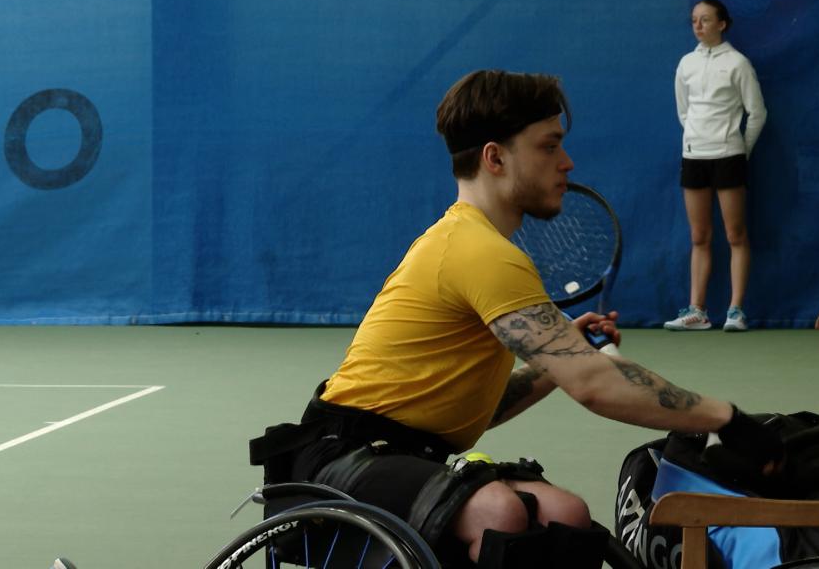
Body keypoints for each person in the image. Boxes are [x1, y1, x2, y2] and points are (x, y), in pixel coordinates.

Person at [253, 69, 783, 568]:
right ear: (495, 158)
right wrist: (727, 418)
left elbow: (475, 413)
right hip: (338, 462)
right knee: (497, 512)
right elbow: (596, 385)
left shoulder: (472, 241)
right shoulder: (481, 251)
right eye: (549, 146)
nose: (567, 161)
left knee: (566, 514)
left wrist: (556, 362)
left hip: (404, 455)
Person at [665, 0, 767, 332]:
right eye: (694, 20)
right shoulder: (686, 64)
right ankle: (698, 311)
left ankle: (736, 311)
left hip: (729, 156)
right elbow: (685, 111)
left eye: (705, 19)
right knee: (699, 236)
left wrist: (740, 150)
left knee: (735, 234)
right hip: (694, 156)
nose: (698, 25)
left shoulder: (738, 64)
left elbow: (757, 112)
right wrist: (697, 138)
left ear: (722, 24)